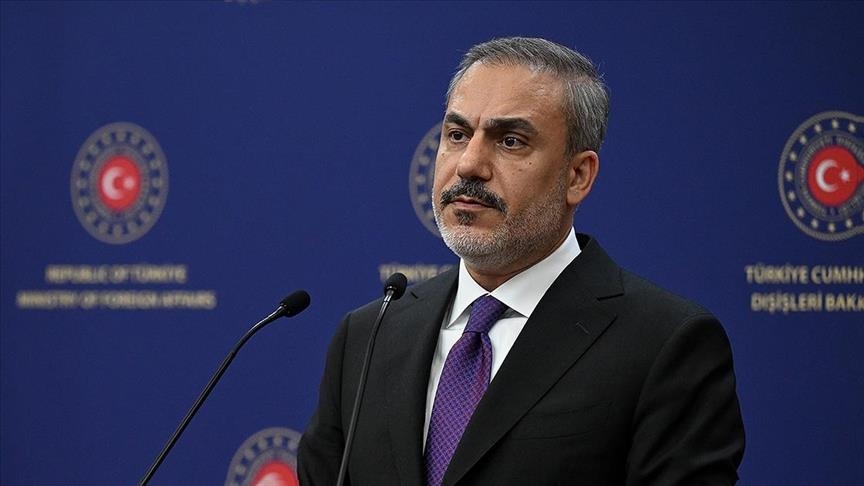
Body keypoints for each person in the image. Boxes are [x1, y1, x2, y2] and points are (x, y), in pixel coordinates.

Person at [298, 37, 745, 485]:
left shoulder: (664, 343)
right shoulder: (367, 337)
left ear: (578, 176)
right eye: (457, 135)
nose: (469, 164)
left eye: (510, 141)